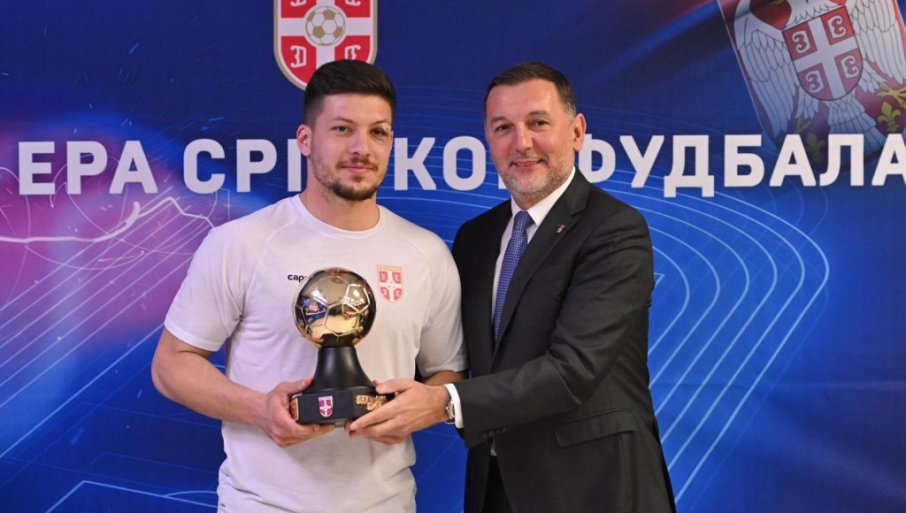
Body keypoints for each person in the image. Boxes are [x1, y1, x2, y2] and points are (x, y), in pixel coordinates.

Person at [349, 62, 675, 513]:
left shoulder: (614, 230)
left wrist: (444, 403)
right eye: (503, 127)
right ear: (488, 139)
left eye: (538, 123)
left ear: (577, 132)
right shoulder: (476, 238)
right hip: (496, 488)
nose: (521, 143)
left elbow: (572, 370)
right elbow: (450, 355)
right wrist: (351, 395)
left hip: (595, 489)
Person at [151, 60, 466, 513]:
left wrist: (425, 408)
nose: (361, 148)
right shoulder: (241, 243)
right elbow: (171, 365)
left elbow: (448, 372)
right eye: (342, 129)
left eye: (378, 132)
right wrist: (259, 409)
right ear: (305, 139)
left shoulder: (426, 253)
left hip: (386, 503)